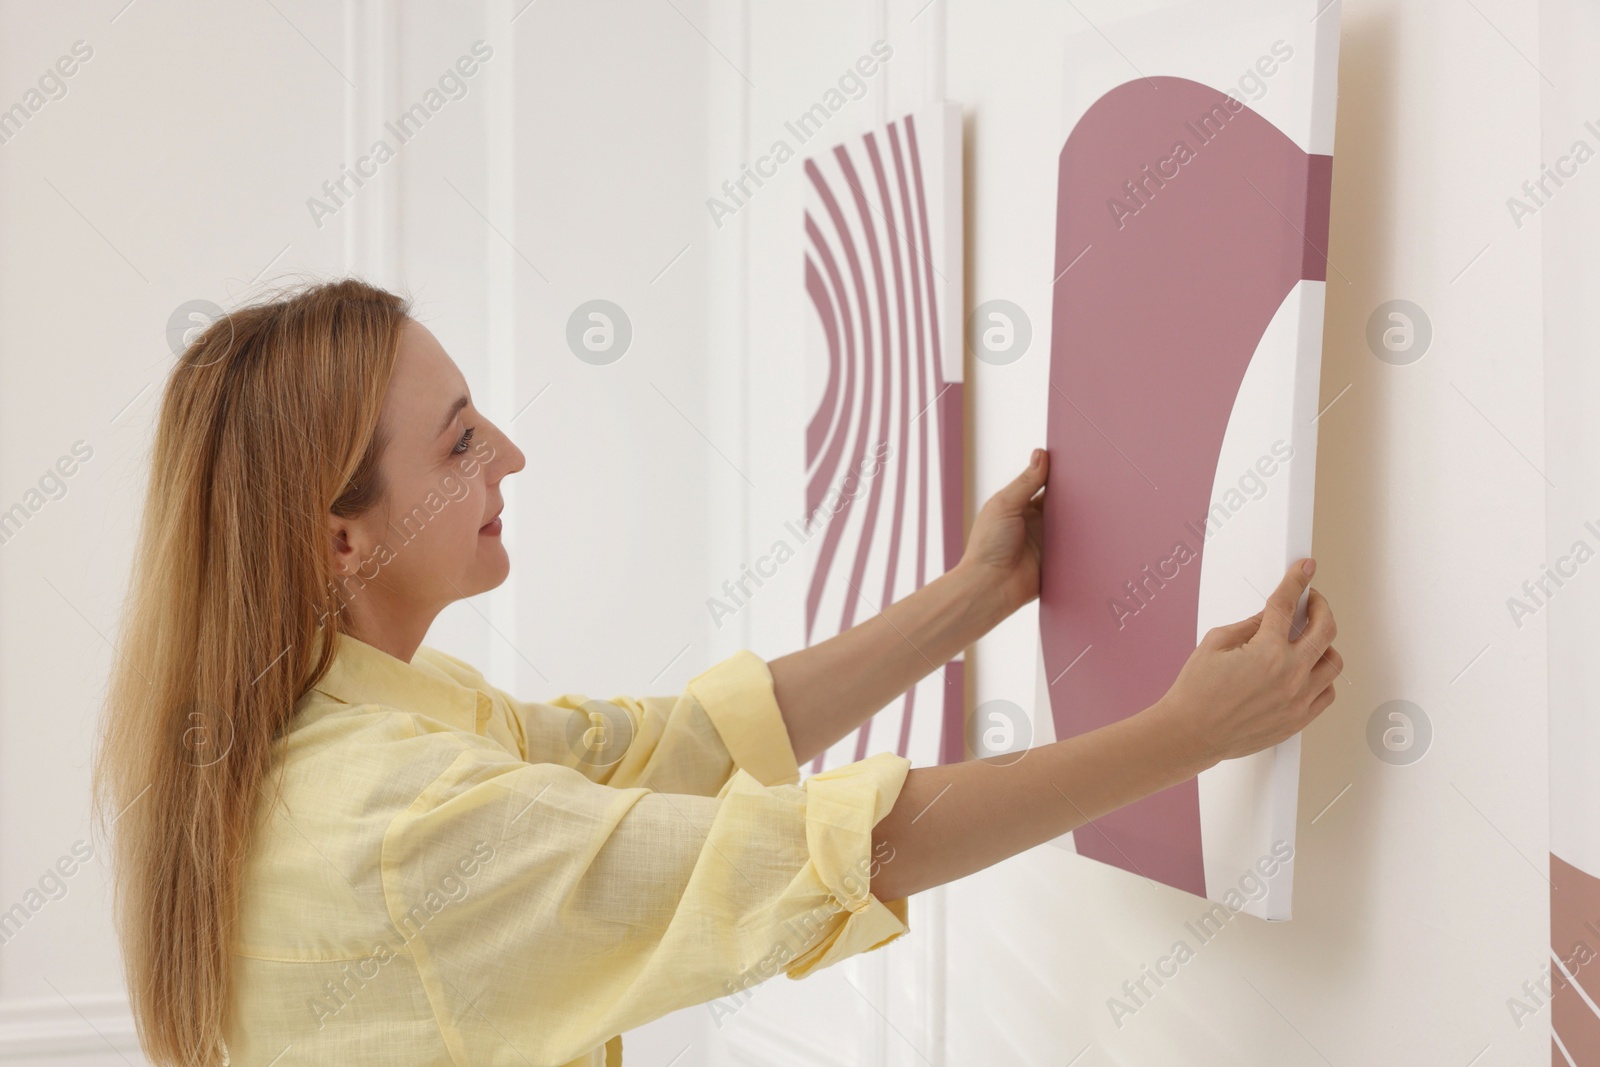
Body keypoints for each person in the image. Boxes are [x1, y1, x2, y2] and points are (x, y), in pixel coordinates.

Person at [92, 278, 1340, 1067]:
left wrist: (971, 595)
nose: (511, 455)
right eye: (461, 440)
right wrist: (1182, 735)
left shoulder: (364, 726)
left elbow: (674, 743)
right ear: (341, 538)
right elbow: (820, 849)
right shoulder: (394, 819)